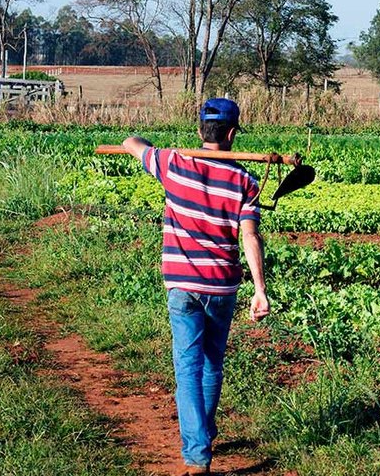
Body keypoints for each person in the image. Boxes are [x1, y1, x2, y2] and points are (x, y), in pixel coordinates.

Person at [122, 98, 270, 476]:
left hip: (183, 284)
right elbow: (250, 237)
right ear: (233, 134)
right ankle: (201, 436)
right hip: (222, 285)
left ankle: (197, 456)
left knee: (188, 369)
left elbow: (130, 141)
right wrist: (260, 289)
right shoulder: (244, 181)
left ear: (200, 131)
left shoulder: (172, 163)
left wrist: (147, 143)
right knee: (211, 365)